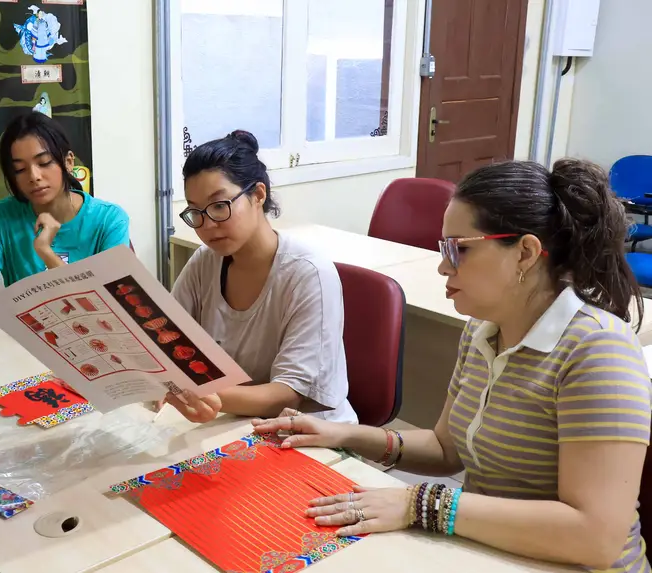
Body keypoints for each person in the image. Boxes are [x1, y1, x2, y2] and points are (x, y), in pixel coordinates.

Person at [254, 158, 652, 572]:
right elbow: (448, 449)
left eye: (458, 249)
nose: (443, 265)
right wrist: (343, 434)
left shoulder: (598, 351)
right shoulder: (484, 328)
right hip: (496, 553)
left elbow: (595, 538)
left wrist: (420, 502)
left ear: (526, 253)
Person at [163, 130, 356, 424]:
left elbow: (288, 394)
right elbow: (168, 340)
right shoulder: (205, 261)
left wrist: (198, 391)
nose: (208, 225)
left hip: (306, 434)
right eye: (195, 212)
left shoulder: (308, 274)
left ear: (258, 195)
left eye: (219, 206)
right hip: (234, 421)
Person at [0, 111, 129, 387]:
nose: (34, 176)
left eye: (44, 163)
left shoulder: (109, 220)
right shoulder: (0, 218)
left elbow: (105, 315)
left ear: (67, 162)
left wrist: (47, 252)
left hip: (98, 356)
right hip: (27, 353)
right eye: (20, 169)